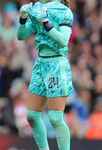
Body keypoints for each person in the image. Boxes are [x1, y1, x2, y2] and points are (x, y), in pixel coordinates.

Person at [17, 0, 73, 150]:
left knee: (55, 118)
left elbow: (63, 41)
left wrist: (46, 22)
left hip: (56, 64)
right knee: (32, 116)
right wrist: (23, 18)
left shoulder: (64, 12)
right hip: (40, 64)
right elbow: (21, 36)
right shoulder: (38, 8)